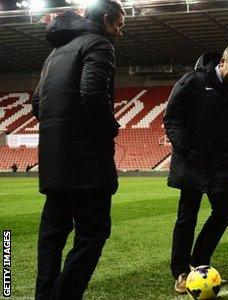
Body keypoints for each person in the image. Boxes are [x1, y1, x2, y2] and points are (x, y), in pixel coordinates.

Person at [31, 1, 124, 299]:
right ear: (107, 19)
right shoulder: (99, 44)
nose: (120, 33)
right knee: (92, 234)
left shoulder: (55, 53)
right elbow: (92, 92)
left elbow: (36, 103)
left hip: (53, 160)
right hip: (86, 164)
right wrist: (110, 127)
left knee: (52, 237)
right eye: (119, 25)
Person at [164, 43, 228, 294]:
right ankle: (182, 272)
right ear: (223, 61)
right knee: (187, 215)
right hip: (192, 159)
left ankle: (199, 263)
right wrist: (185, 149)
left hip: (222, 161)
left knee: (226, 208)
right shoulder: (193, 81)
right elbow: (171, 117)